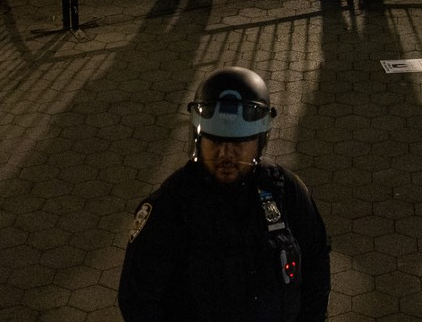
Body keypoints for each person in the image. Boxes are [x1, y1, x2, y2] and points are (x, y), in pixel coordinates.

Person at [118, 67, 330, 322]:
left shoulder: (284, 190)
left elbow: (316, 262)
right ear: (199, 139)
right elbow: (138, 299)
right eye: (216, 141)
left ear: (259, 141)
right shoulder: (171, 206)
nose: (225, 154)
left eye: (239, 143)